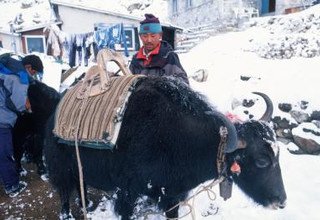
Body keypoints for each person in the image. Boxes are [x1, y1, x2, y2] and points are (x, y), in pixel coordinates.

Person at [0, 54, 43, 197]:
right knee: (5, 153)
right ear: (28, 67)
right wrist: (30, 108)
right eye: (34, 72)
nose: (34, 75)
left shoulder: (7, 69)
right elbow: (20, 105)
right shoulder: (20, 77)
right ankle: (12, 186)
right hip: (2, 120)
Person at [129, 14, 189, 85]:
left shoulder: (168, 57)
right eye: (145, 36)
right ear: (140, 36)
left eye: (153, 36)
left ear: (160, 35)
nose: (149, 40)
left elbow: (183, 84)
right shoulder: (136, 59)